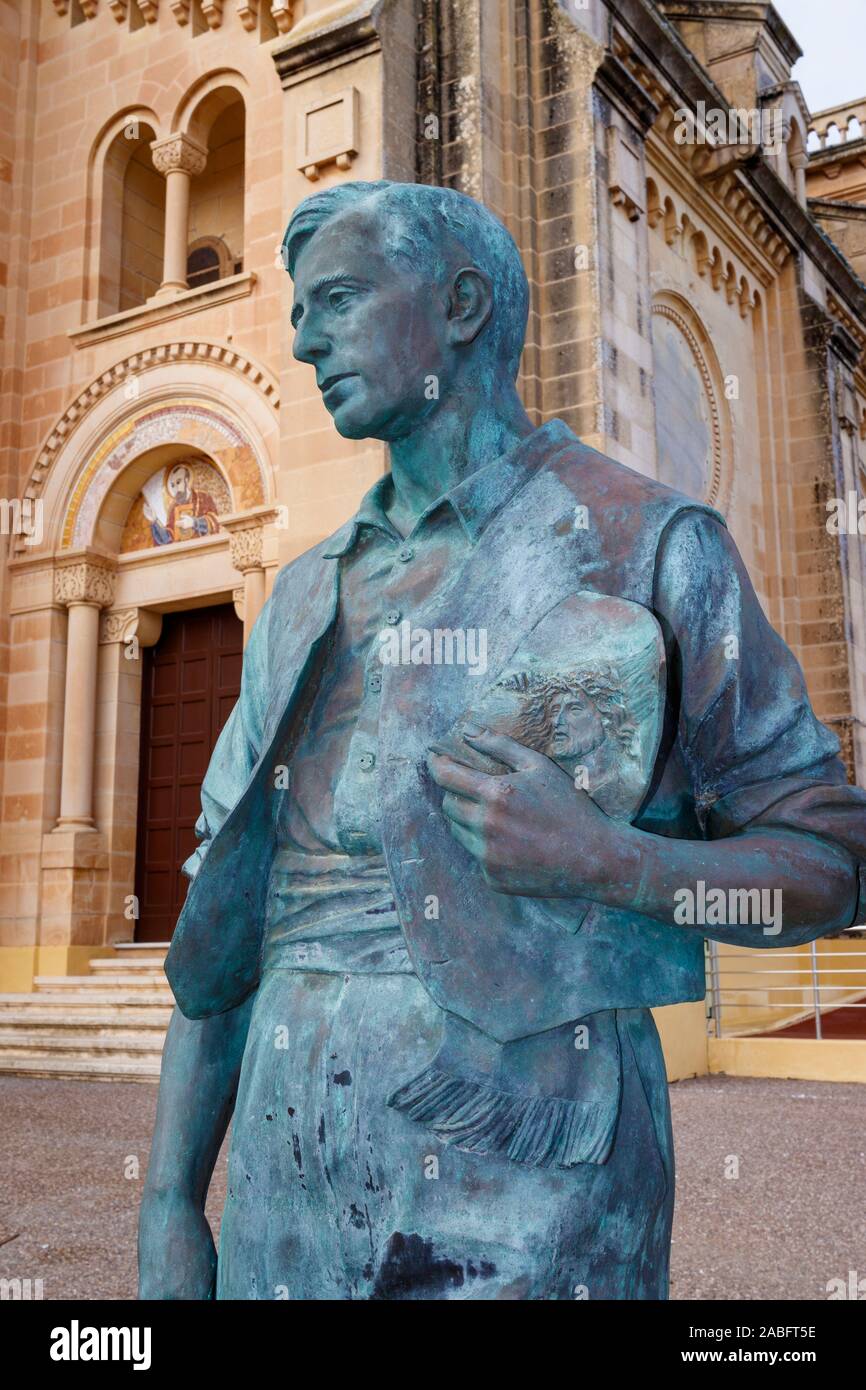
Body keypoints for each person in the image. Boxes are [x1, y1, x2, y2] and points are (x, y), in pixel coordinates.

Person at [139, 180, 866, 1301]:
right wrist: (173, 1202)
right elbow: (225, 930)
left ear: (462, 305)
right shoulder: (297, 598)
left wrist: (619, 865)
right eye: (297, 312)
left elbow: (833, 863)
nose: (300, 340)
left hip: (537, 1185)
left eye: (335, 299)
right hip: (285, 1197)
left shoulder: (652, 545)